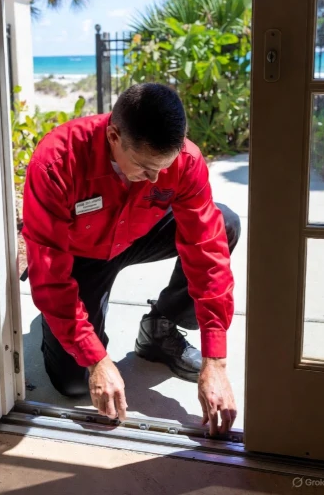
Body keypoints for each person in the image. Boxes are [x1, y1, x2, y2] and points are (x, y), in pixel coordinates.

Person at [21, 82, 240, 435]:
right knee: (76, 383)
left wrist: (216, 359)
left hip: (139, 234)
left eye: (163, 168)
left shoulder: (185, 161)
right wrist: (96, 359)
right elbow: (48, 274)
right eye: (143, 167)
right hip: (80, 254)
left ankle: (159, 329)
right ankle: (51, 326)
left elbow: (207, 250)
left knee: (224, 222)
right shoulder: (56, 162)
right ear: (113, 136)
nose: (155, 178)